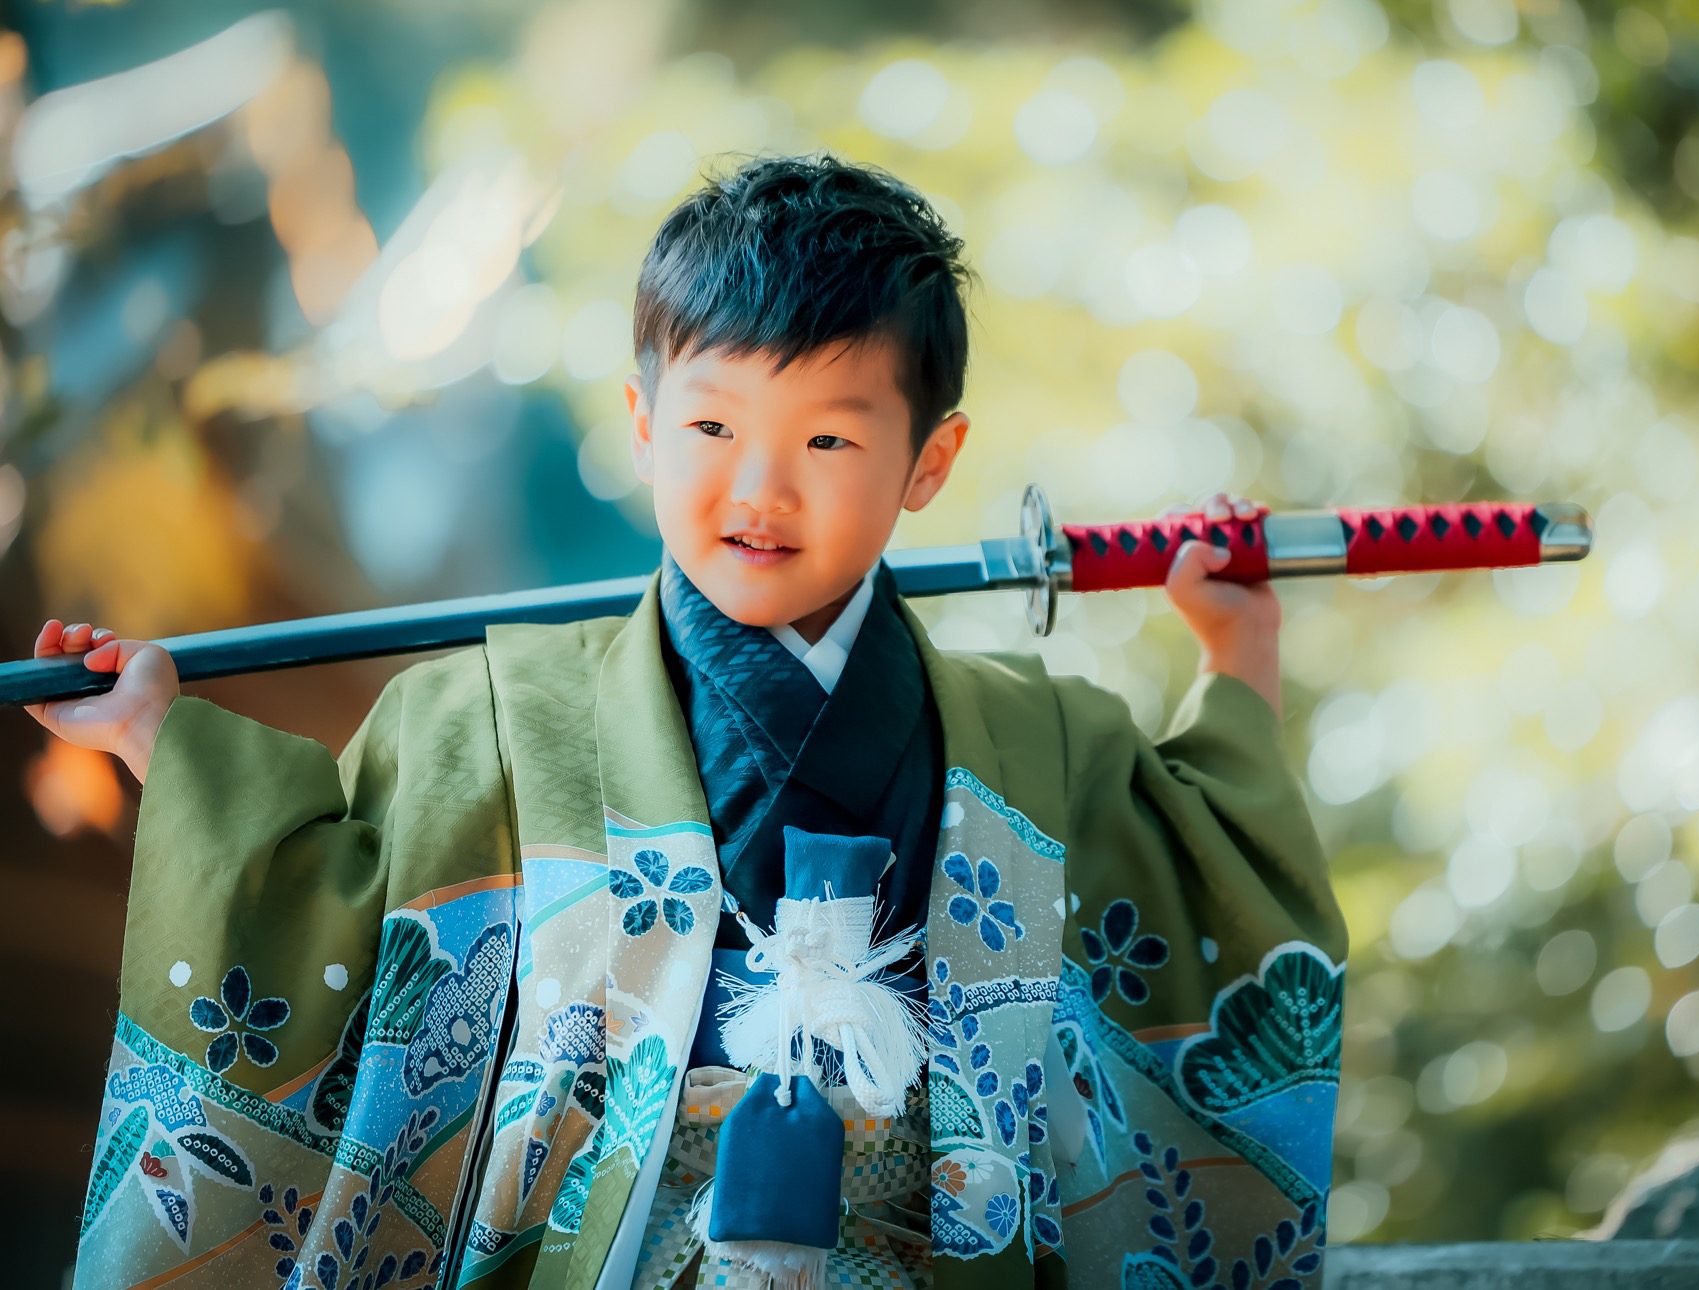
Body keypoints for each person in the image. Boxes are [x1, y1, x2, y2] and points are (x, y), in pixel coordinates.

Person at [30, 153, 1347, 1290]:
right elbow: (323, 891)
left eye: (829, 442)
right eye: (713, 422)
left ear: (929, 464)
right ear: (641, 422)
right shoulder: (494, 718)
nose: (759, 487)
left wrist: (1240, 648)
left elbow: (1203, 871)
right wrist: (164, 739)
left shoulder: (1039, 740)